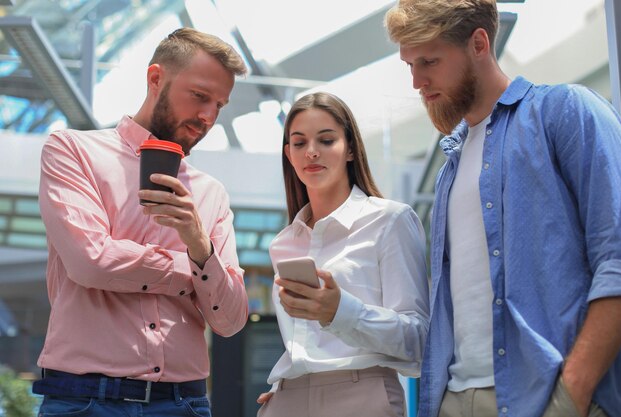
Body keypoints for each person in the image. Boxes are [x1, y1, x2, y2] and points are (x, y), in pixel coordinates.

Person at [384, 1, 621, 417]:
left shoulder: (565, 111)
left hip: (548, 396)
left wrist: (572, 395)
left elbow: (619, 259)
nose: (417, 82)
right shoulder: (450, 167)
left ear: (479, 43)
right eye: (409, 65)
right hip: (456, 398)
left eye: (429, 61)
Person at [32, 28, 248, 416]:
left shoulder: (211, 193)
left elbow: (231, 320)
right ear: (155, 79)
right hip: (84, 401)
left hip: (185, 403)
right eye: (200, 96)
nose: (208, 117)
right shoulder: (73, 151)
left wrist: (199, 244)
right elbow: (91, 262)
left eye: (220, 105)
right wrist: (193, 270)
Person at [255, 92, 430, 417]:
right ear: (288, 155)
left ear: (350, 148)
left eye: (326, 140)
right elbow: (304, 347)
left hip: (361, 396)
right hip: (288, 398)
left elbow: (419, 341)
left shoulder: (390, 221)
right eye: (299, 143)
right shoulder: (283, 242)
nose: (311, 152)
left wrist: (340, 312)